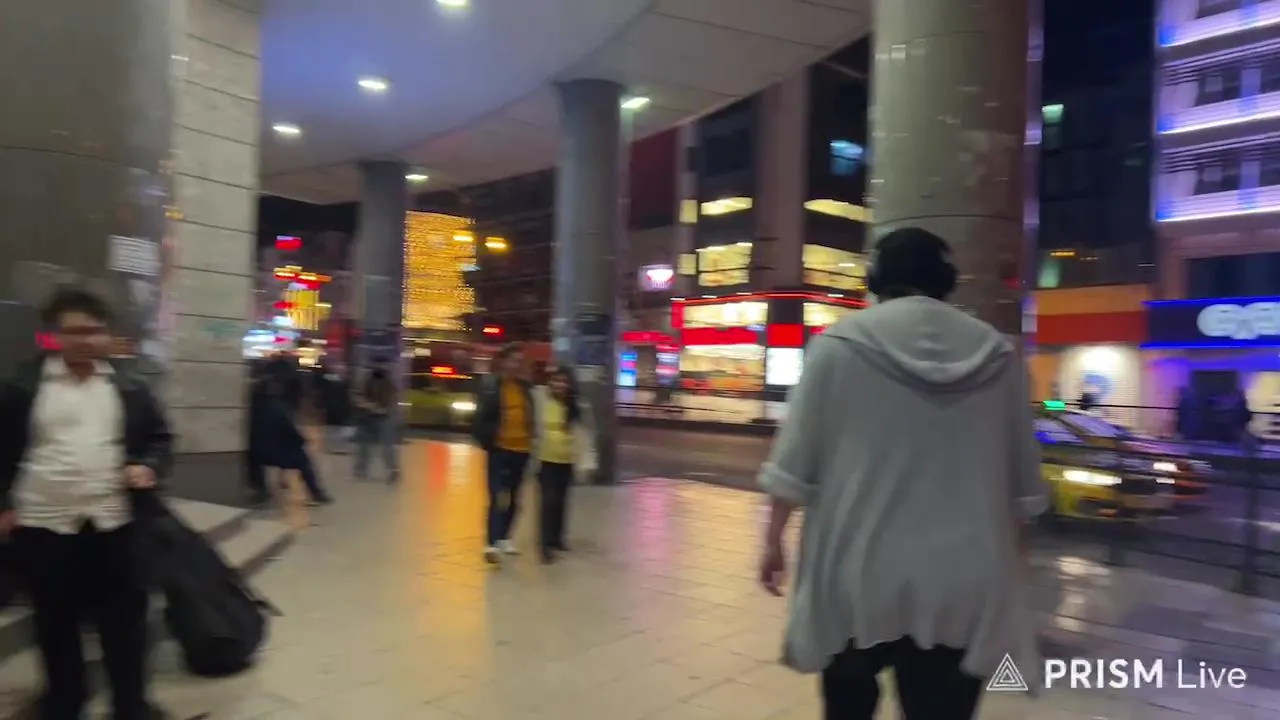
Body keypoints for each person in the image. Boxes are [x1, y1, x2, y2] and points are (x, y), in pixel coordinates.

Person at [756, 228, 1047, 720]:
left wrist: (772, 541)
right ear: (947, 280)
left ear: (875, 278)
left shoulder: (837, 347)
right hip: (961, 578)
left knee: (848, 706)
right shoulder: (999, 357)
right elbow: (1022, 486)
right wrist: (1014, 564)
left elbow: (794, 462)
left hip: (857, 572)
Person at [0, 287, 174, 720]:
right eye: (74, 331)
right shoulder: (21, 387)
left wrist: (148, 466)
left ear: (107, 335)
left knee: (125, 625)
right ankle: (64, 702)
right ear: (54, 335)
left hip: (114, 524)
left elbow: (160, 438)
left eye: (94, 331)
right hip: (43, 524)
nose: (86, 340)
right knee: (54, 623)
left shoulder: (131, 387)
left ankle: (129, 705)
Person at [471, 344, 535, 564]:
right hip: (499, 449)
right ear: (503, 361)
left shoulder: (525, 387)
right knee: (497, 495)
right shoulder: (491, 385)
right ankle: (491, 542)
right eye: (513, 360)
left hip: (522, 450)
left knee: (515, 498)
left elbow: (532, 414)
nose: (516, 365)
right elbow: (480, 416)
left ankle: (505, 538)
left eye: (520, 361)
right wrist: (486, 440)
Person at [532, 366, 595, 564]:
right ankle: (544, 546)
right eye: (556, 381)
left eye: (564, 382)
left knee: (560, 501)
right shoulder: (540, 400)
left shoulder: (576, 406)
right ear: (549, 382)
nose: (559, 385)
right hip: (545, 459)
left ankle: (556, 538)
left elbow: (585, 434)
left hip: (566, 460)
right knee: (548, 501)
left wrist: (586, 460)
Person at [248, 375, 332, 507]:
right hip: (279, 453)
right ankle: (316, 493)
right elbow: (289, 431)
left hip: (258, 451)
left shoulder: (253, 407)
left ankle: (261, 490)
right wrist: (301, 441)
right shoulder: (280, 407)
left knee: (254, 461)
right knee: (304, 461)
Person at [352, 356, 399, 482]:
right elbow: (358, 396)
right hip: (367, 417)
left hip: (383, 417)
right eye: (377, 365)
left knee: (386, 445)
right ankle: (361, 469)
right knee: (364, 445)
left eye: (382, 365)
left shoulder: (388, 381)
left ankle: (392, 470)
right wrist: (370, 406)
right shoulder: (366, 380)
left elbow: (392, 398)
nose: (380, 367)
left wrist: (384, 409)